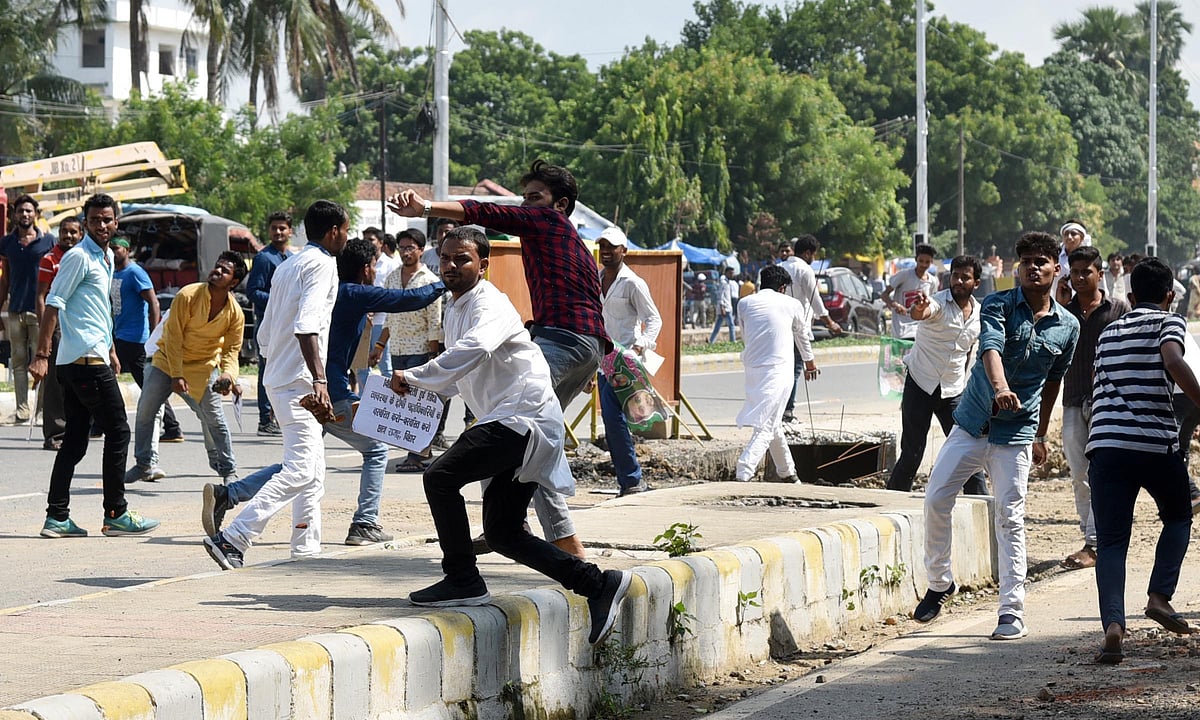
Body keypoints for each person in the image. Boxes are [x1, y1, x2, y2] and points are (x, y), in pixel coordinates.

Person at [387, 227, 631, 646]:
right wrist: (413, 387)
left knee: (439, 477)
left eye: (461, 259)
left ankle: (462, 578)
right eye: (444, 258)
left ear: (483, 264)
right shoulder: (454, 308)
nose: (450, 266)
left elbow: (474, 350)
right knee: (501, 532)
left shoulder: (490, 303)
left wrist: (414, 374)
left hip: (521, 417)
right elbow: (459, 376)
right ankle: (597, 584)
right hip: (513, 421)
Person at [387, 159, 609, 561]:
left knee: (512, 424)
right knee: (520, 433)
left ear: (560, 205)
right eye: (524, 198)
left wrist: (425, 208)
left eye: (534, 198)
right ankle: (509, 523)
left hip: (564, 339)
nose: (525, 206)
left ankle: (546, 538)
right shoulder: (569, 239)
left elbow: (487, 211)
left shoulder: (550, 224)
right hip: (581, 343)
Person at [201, 237, 445, 547]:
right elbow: (409, 299)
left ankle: (233, 497)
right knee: (372, 451)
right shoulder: (352, 292)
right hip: (328, 392)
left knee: (304, 463)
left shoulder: (326, 289)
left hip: (305, 385)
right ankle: (364, 522)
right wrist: (447, 283)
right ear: (367, 269)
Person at [912, 231, 1078, 641]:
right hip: (971, 423)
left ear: (1057, 269)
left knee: (1010, 518)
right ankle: (939, 584)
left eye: (1042, 261)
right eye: (1026, 262)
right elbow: (990, 348)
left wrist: (1040, 434)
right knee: (936, 498)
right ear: (1017, 268)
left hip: (1017, 433)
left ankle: (1011, 612)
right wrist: (1001, 387)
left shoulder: (1068, 326)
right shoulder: (998, 304)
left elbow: (1054, 381)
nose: (1033, 267)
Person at [203, 200, 348, 569]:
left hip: (280, 378)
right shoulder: (322, 265)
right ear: (333, 231)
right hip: (300, 382)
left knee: (312, 470)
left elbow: (265, 335)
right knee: (301, 469)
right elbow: (307, 325)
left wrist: (284, 366)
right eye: (345, 230)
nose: (346, 237)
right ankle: (234, 538)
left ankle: (305, 549)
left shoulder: (289, 265)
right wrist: (318, 379)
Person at [1088, 256, 1200, 663]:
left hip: (1105, 445)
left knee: (1113, 540)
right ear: (1170, 296)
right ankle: (1158, 596)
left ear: (1131, 296)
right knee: (1178, 515)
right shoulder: (1169, 321)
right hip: (1154, 445)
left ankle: (1114, 626)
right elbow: (1172, 360)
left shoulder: (1109, 332)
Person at [28, 193, 159, 538]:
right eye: (95, 220)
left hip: (89, 357)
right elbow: (53, 303)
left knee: (75, 441)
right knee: (118, 431)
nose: (102, 225)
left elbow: (98, 311)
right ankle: (116, 513)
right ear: (85, 222)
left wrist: (112, 350)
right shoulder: (78, 257)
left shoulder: (105, 259)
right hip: (83, 361)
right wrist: (42, 355)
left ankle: (57, 517)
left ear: (116, 223)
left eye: (107, 219)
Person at [127, 252, 245, 484]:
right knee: (145, 412)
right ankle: (143, 464)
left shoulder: (235, 314)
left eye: (224, 270)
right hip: (166, 360)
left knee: (215, 419)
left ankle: (228, 470)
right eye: (217, 266)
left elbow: (231, 351)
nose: (217, 271)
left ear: (233, 282)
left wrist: (228, 376)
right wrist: (177, 374)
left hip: (202, 366)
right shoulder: (188, 295)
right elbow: (173, 337)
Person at [886, 256, 987, 495]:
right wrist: (918, 308)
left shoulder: (978, 315)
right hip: (921, 384)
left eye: (965, 277)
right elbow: (922, 311)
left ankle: (983, 505)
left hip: (952, 391)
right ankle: (890, 501)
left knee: (968, 450)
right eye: (955, 275)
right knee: (912, 452)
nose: (959, 281)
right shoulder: (938, 302)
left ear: (977, 283)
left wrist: (962, 382)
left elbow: (968, 350)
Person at [1055, 247, 1129, 572]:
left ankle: (1095, 543)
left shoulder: (1119, 309)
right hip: (1072, 400)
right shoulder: (1063, 313)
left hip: (1108, 403)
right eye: (1075, 273)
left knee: (1102, 472)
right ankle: (1094, 536)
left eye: (1087, 271)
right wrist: (1055, 304)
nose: (1081, 278)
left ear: (1100, 274)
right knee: (1078, 474)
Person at [734, 265, 815, 483]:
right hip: (779, 371)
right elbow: (802, 335)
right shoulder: (792, 304)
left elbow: (745, 334)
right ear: (782, 288)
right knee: (767, 426)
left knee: (773, 421)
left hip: (752, 370)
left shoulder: (744, 303)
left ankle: (787, 473)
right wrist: (810, 363)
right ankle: (743, 472)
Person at [597, 226, 662, 496]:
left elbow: (654, 318)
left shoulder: (633, 282)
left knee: (623, 420)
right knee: (613, 422)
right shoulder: (596, 278)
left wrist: (642, 343)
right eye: (603, 247)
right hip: (603, 361)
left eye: (612, 247)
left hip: (626, 363)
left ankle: (632, 479)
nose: (607, 252)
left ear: (624, 250)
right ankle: (630, 480)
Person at [108, 233, 183, 446]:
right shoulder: (114, 272)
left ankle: (98, 424)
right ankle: (172, 426)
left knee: (105, 375)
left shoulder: (135, 272)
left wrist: (153, 335)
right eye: (110, 248)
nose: (113, 252)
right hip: (120, 334)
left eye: (117, 248)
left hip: (135, 338)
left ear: (127, 250)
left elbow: (154, 303)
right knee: (150, 386)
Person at [382, 228, 445, 473]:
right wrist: (379, 345)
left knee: (421, 403)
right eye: (402, 247)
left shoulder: (430, 281)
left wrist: (432, 355)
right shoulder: (392, 278)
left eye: (410, 247)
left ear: (420, 250)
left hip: (420, 350)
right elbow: (388, 315)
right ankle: (420, 450)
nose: (406, 252)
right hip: (397, 348)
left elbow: (434, 323)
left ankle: (418, 455)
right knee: (404, 403)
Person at [0, 195, 55, 424]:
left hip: (40, 311)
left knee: (41, 360)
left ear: (36, 214)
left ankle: (41, 412)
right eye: (21, 211)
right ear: (14, 215)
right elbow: (5, 279)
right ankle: (22, 411)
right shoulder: (6, 243)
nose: (24, 215)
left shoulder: (48, 241)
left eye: (29, 211)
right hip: (15, 310)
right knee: (19, 363)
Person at [781, 235, 841, 424]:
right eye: (813, 255)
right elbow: (816, 301)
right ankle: (788, 412)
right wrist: (830, 323)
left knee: (781, 370)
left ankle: (779, 410)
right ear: (807, 253)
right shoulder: (804, 270)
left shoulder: (779, 267)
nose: (814, 259)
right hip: (798, 329)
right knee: (795, 370)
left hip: (779, 328)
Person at [245, 211, 293, 436]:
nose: (278, 232)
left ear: (290, 231)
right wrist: (277, 302)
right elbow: (253, 291)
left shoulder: (292, 258)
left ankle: (279, 416)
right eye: (274, 228)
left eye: (282, 228)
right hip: (268, 323)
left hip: (288, 324)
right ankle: (265, 419)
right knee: (267, 370)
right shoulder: (264, 258)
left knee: (285, 370)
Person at [36, 217, 82, 450]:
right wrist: (48, 328)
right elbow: (42, 297)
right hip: (58, 324)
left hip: (80, 324)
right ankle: (55, 433)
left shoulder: (85, 257)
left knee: (80, 376)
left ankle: (80, 428)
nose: (68, 236)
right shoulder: (49, 260)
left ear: (81, 234)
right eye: (64, 232)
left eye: (73, 232)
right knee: (54, 379)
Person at [356, 226, 402, 392]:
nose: (367, 243)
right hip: (362, 320)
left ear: (381, 243)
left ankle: (388, 400)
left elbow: (393, 293)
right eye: (365, 239)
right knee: (361, 366)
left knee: (385, 366)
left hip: (381, 323)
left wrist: (375, 306)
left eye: (371, 239)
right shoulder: (361, 263)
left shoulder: (392, 265)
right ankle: (364, 402)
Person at [882, 243, 939, 340]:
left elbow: (932, 305)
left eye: (927, 262)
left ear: (931, 262)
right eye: (921, 261)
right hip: (902, 331)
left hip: (921, 331)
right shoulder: (904, 275)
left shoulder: (933, 281)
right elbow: (884, 295)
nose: (923, 265)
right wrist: (895, 305)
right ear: (916, 259)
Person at [708, 267, 737, 344]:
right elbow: (721, 295)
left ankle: (711, 341)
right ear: (726, 273)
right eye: (731, 273)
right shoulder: (723, 283)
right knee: (731, 325)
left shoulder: (728, 282)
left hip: (727, 307)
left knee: (718, 327)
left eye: (733, 273)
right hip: (725, 308)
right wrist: (722, 307)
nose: (732, 275)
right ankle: (733, 341)